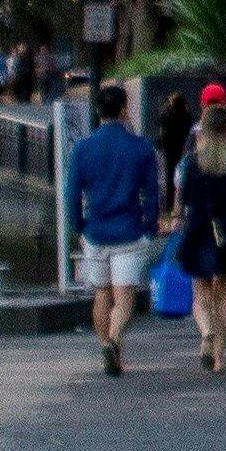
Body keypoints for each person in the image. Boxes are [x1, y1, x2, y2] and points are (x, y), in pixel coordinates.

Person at [69, 81, 164, 378]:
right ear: (125, 110)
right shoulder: (141, 149)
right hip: (129, 231)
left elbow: (72, 193)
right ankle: (114, 341)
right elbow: (152, 193)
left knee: (101, 295)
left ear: (97, 111)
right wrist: (150, 226)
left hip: (95, 231)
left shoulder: (82, 149)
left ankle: (105, 347)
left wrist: (78, 225)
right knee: (124, 299)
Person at [170, 81, 226, 376]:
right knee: (224, 294)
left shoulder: (191, 162)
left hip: (199, 231)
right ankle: (220, 356)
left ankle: (206, 333)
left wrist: (175, 219)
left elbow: (183, 200)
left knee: (201, 294)